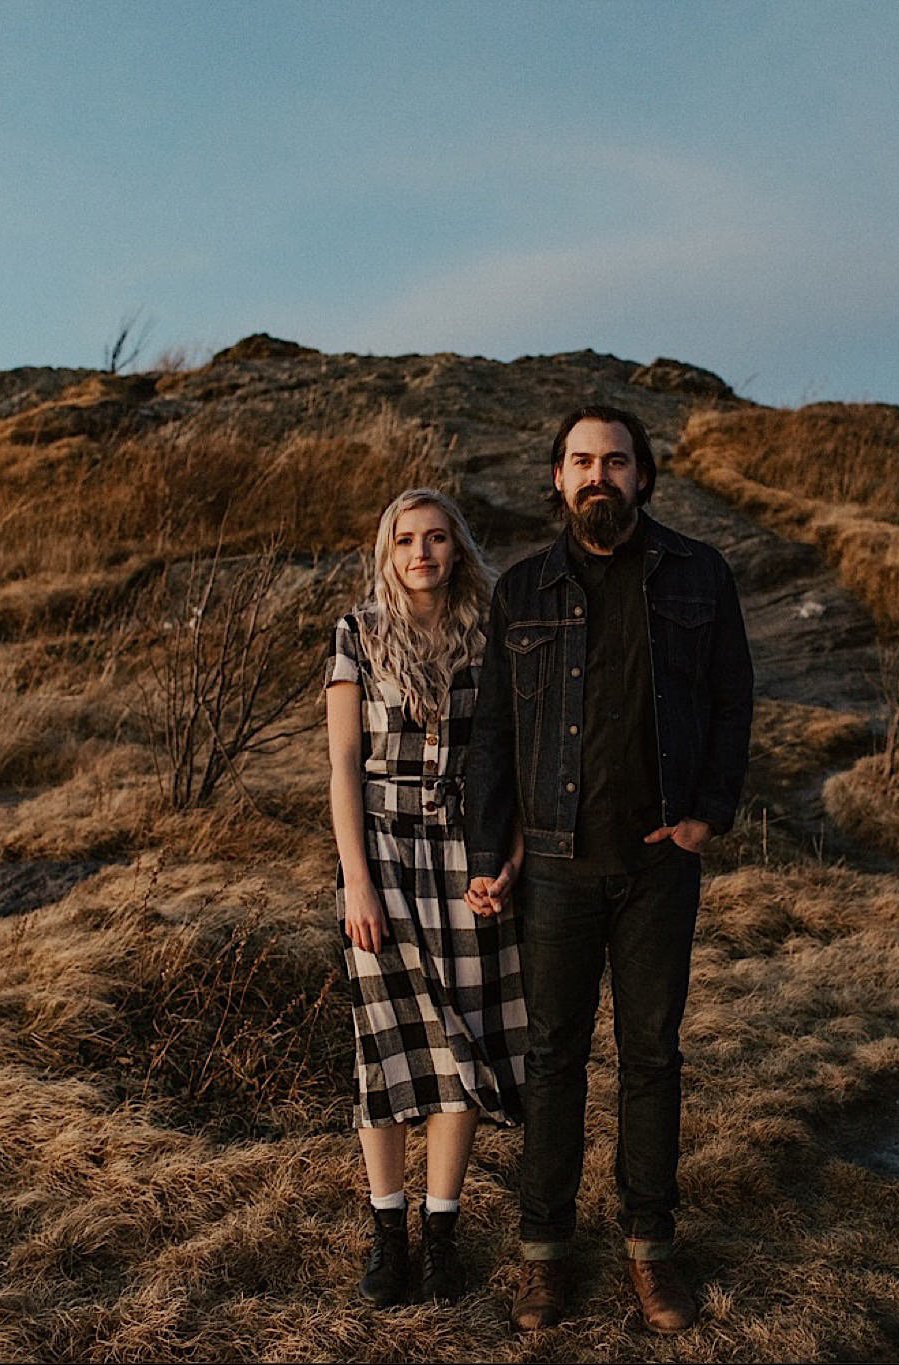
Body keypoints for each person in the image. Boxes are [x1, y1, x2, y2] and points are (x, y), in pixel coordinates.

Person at [465, 404, 753, 1335]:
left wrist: (707, 812)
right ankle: (545, 1256)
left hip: (658, 864)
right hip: (553, 868)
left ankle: (649, 1252)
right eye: (582, 461)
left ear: (644, 476)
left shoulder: (700, 575)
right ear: (557, 477)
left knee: (652, 1057)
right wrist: (488, 850)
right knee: (551, 1060)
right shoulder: (523, 590)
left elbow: (732, 699)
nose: (599, 475)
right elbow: (495, 738)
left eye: (616, 461)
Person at [325, 487, 527, 1308]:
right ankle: (388, 1233)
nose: (422, 552)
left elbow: (510, 757)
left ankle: (442, 1234)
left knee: (461, 1047)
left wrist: (506, 859)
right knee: (386, 1044)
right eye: (406, 539)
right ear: (387, 550)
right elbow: (342, 767)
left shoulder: (490, 634)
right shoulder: (358, 634)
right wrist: (358, 880)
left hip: (465, 856)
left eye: (437, 537)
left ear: (458, 547)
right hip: (380, 853)